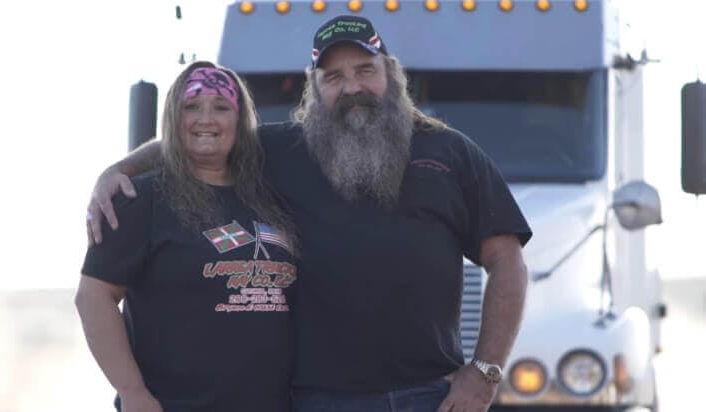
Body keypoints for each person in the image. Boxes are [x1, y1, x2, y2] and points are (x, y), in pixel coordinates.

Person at [87, 15, 531, 412]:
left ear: (391, 74)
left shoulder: (451, 152)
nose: (352, 86)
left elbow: (506, 260)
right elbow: (206, 134)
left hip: (430, 395)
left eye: (364, 70)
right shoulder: (284, 149)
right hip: (316, 399)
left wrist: (486, 372)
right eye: (333, 76)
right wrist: (121, 168)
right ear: (314, 86)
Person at [76, 61, 298, 412]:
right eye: (191, 107)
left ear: (240, 121)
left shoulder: (270, 199)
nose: (206, 119)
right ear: (173, 119)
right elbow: (93, 297)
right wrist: (133, 392)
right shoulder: (142, 198)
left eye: (221, 108)